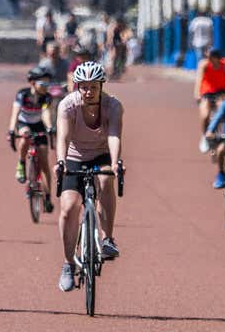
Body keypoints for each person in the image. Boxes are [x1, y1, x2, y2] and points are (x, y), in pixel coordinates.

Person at [55, 61, 123, 292]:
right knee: (69, 208)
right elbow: (63, 137)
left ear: (101, 86)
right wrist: (61, 161)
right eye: (84, 87)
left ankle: (107, 238)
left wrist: (115, 163)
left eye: (93, 87)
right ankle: (68, 263)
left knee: (106, 179)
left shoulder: (113, 106)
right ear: (78, 86)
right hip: (74, 157)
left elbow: (114, 135)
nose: (88, 91)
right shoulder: (67, 105)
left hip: (101, 155)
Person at [8, 68, 56, 213]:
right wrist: (11, 130)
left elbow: (46, 113)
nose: (46, 87)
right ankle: (21, 164)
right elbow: (15, 113)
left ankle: (47, 198)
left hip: (39, 124)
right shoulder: (22, 94)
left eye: (48, 84)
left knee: (44, 163)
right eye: (43, 84)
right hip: (24, 123)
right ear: (33, 83)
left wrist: (49, 128)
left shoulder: (46, 97)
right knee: (25, 136)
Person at [195, 47, 225, 152]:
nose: (209, 59)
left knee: (223, 110)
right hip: (207, 92)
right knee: (205, 115)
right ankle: (204, 136)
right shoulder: (204, 65)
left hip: (221, 91)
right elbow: (199, 79)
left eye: (212, 57)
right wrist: (197, 94)